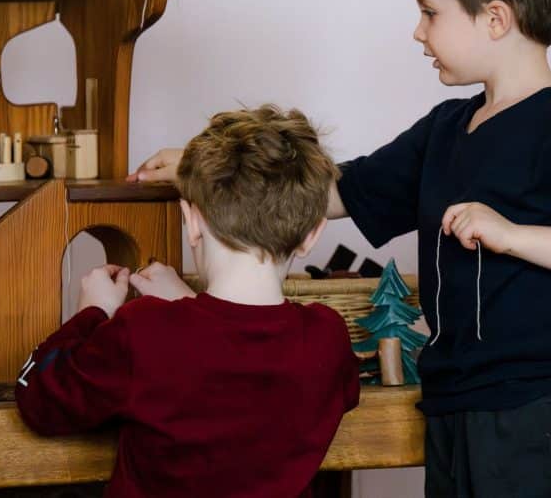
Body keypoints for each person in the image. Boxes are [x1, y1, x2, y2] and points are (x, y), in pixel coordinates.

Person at [130, 0, 551, 497]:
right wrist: (203, 164)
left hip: (546, 411)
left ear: (495, 18)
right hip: (458, 409)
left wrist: (511, 234)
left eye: (430, 12)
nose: (417, 30)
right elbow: (333, 194)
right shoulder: (443, 131)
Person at [18, 104, 360, 497]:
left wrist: (92, 311)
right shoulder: (327, 337)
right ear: (312, 234)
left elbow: (39, 400)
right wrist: (186, 304)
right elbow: (321, 386)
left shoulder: (144, 329)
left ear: (192, 221)